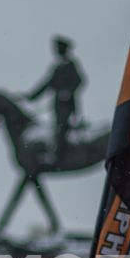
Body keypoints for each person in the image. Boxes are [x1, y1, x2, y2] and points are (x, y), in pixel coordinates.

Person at [24, 35, 85, 164]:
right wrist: (31, 96)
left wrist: (68, 91)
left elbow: (80, 80)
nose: (56, 51)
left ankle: (59, 156)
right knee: (57, 126)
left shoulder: (71, 65)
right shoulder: (56, 68)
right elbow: (46, 83)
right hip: (57, 105)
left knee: (61, 127)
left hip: (68, 104)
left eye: (58, 49)